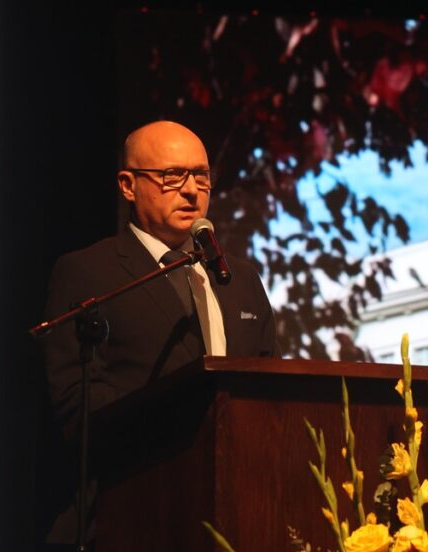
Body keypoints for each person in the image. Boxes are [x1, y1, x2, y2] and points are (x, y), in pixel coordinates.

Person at [42, 121, 280, 427]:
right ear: (128, 185)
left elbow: (270, 385)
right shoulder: (87, 272)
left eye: (201, 176)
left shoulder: (240, 276)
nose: (192, 190)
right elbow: (78, 400)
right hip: (144, 467)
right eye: (173, 176)